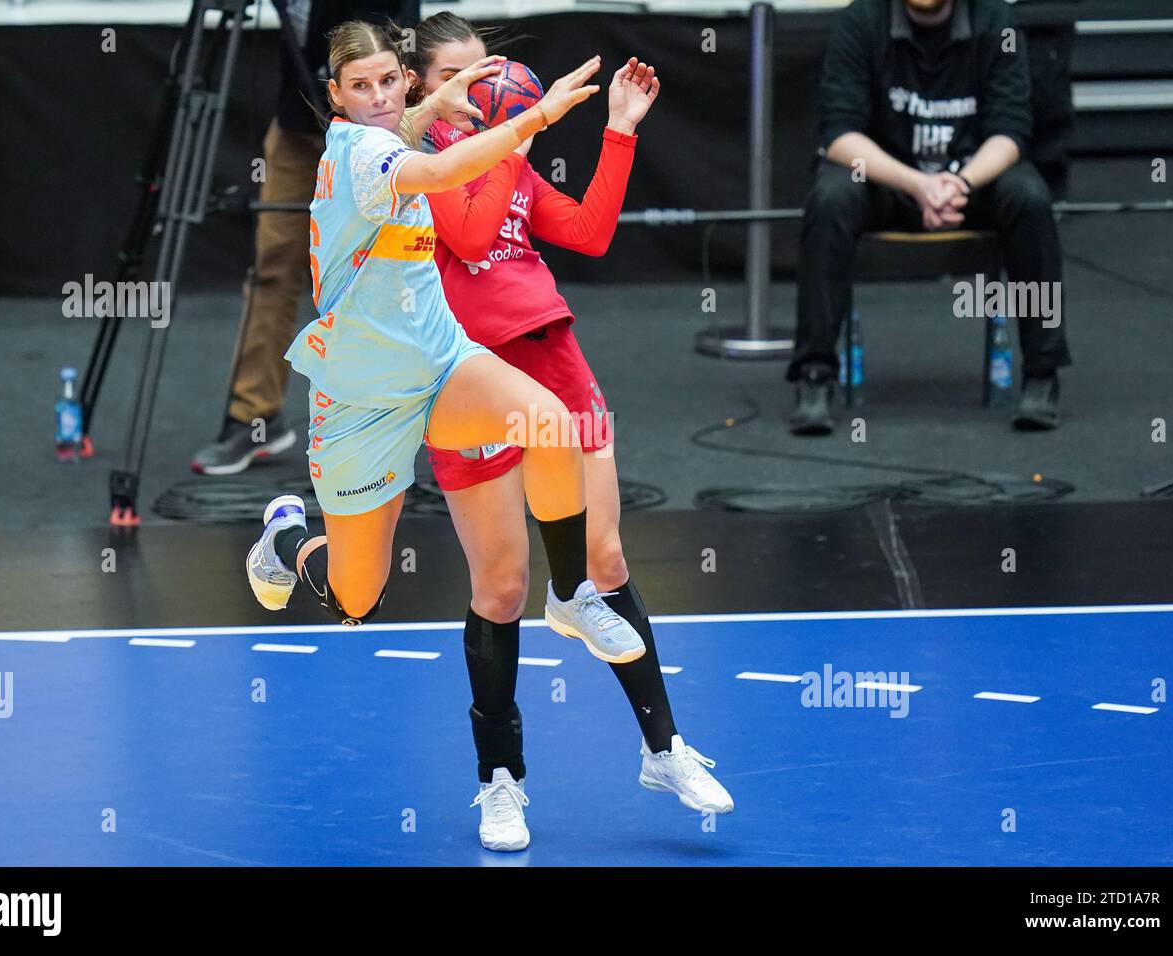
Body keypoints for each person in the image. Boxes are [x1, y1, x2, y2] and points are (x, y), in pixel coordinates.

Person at [245, 23, 649, 706]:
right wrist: (536, 118)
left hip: (439, 362)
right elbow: (436, 172)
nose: (375, 96)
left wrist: (441, 101)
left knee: (550, 424)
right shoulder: (358, 151)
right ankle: (286, 540)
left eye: (386, 80)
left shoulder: (401, 123)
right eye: (359, 86)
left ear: (404, 79)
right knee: (355, 599)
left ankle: (572, 594)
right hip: (362, 396)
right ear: (335, 96)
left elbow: (415, 132)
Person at [408, 12, 733, 852]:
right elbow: (471, 232)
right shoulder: (421, 168)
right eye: (462, 77)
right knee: (501, 591)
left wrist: (619, 132)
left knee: (607, 562)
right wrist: (520, 131)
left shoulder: (507, 159)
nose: (484, 89)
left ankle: (664, 750)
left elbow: (586, 232)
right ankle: (501, 782)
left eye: (491, 73)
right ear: (423, 88)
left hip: (553, 356)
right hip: (469, 380)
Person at [789, 0, 1072, 436]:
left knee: (1029, 196)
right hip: (888, 181)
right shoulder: (861, 21)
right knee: (830, 197)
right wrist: (917, 184)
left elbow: (1012, 131)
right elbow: (839, 135)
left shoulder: (997, 21)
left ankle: (1042, 374)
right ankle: (814, 374)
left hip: (970, 182)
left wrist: (959, 181)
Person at [191, 1, 417, 474]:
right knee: (274, 264)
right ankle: (253, 418)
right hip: (297, 120)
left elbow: (393, 30)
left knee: (383, 272)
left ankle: (391, 420)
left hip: (373, 125)